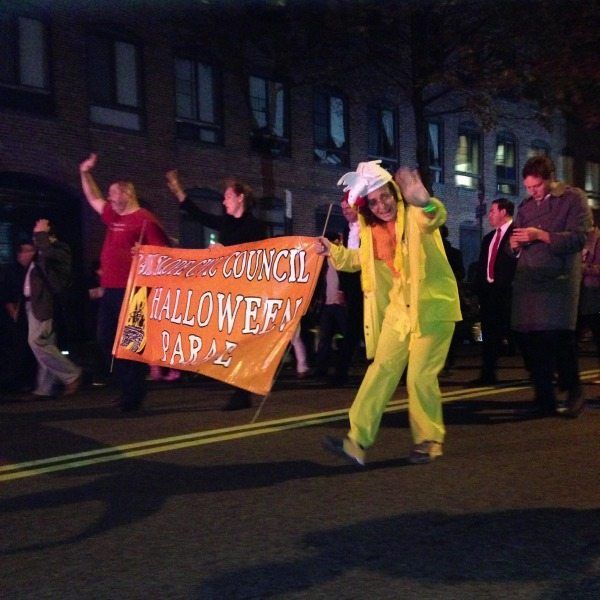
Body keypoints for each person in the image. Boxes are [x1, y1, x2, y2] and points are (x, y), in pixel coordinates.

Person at [319, 161, 461, 466]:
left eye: (385, 196)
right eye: (373, 201)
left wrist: (426, 202)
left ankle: (429, 440)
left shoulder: (413, 213)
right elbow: (361, 260)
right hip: (400, 308)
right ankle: (356, 442)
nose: (382, 205)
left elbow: (434, 218)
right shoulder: (372, 230)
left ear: (394, 192)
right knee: (380, 370)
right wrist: (331, 250)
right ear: (367, 206)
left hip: (432, 305)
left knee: (420, 377)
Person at [166, 169, 266, 410]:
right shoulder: (227, 222)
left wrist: (226, 251)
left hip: (246, 292)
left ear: (240, 198)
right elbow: (200, 216)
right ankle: (239, 388)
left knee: (239, 341)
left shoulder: (255, 226)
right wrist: (179, 191)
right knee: (228, 340)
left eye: (228, 197)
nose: (224, 201)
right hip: (226, 290)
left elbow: (254, 254)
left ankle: (241, 392)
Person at [79, 153, 171, 412]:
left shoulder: (145, 220)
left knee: (132, 343)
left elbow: (165, 255)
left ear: (127, 194)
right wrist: (85, 173)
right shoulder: (114, 216)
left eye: (114, 194)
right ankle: (129, 388)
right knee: (106, 339)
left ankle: (133, 395)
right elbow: (94, 198)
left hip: (135, 291)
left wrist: (145, 253)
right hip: (112, 291)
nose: (109, 199)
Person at [510, 155, 592, 418]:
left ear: (549, 179)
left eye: (536, 187)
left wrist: (542, 235)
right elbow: (515, 240)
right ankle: (543, 396)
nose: (532, 192)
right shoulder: (525, 207)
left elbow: (579, 237)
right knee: (531, 340)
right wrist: (513, 245)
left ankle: (574, 391)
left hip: (559, 279)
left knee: (559, 338)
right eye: (528, 188)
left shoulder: (572, 198)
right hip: (530, 279)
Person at [24, 219, 82, 398]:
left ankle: (72, 374)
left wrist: (41, 234)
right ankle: (44, 388)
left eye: (38, 232)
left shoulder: (60, 249)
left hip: (45, 303)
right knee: (46, 344)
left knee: (38, 342)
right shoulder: (43, 249)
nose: (35, 235)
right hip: (34, 302)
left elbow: (48, 256)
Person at [472, 198, 517, 384]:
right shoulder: (489, 238)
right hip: (490, 294)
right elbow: (483, 265)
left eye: (493, 211)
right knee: (489, 335)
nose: (489, 214)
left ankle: (542, 371)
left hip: (510, 293)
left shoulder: (517, 234)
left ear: (503, 212)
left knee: (520, 334)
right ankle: (487, 374)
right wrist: (480, 290)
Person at [1, 242, 37, 392]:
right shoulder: (12, 271)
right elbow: (7, 293)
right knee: (18, 347)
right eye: (27, 251)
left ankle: (29, 380)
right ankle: (18, 380)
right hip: (16, 314)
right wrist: (13, 311)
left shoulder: (33, 270)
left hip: (28, 311)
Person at [577, 218, 600, 384]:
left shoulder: (597, 240)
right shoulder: (579, 240)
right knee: (569, 334)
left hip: (593, 291)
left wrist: (583, 268)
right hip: (577, 292)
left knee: (597, 332)